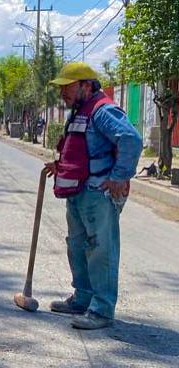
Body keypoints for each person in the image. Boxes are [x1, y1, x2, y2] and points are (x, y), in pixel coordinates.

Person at [46, 62, 142, 330]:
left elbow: (130, 140)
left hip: (98, 194)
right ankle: (83, 298)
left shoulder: (103, 110)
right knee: (76, 245)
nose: (63, 92)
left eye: (68, 86)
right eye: (62, 87)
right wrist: (60, 165)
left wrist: (120, 176)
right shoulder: (80, 112)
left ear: (86, 85)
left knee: (101, 248)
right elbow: (81, 150)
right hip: (78, 193)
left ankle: (101, 310)